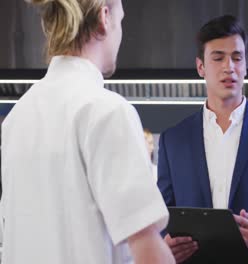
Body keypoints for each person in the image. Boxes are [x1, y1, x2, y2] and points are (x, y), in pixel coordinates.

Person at [0, 0, 175, 263]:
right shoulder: (107, 111)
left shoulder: (16, 120)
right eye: (121, 20)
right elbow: (149, 252)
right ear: (105, 18)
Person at [157, 15, 248, 264]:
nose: (229, 67)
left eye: (237, 58)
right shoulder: (174, 140)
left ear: (246, 66)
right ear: (201, 67)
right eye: (218, 58)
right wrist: (166, 243)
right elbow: (162, 215)